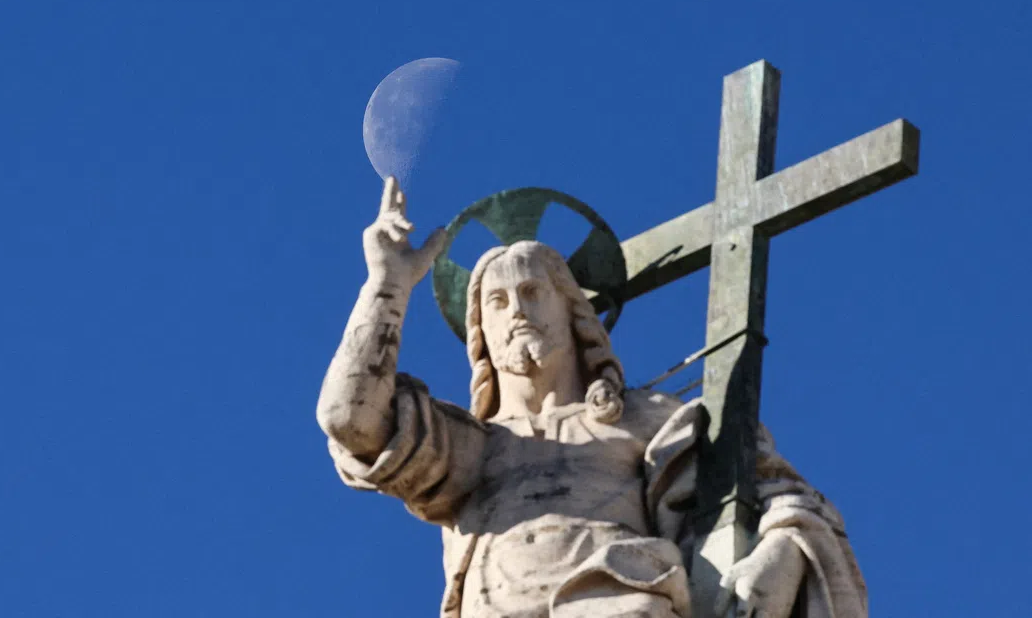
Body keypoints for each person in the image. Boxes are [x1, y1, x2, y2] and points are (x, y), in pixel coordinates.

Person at [317, 178, 866, 618]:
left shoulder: (646, 418)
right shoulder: (474, 448)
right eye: (499, 302)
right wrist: (387, 285)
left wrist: (780, 549)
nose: (517, 312)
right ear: (480, 333)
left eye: (533, 292)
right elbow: (349, 418)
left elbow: (776, 495)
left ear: (573, 313)